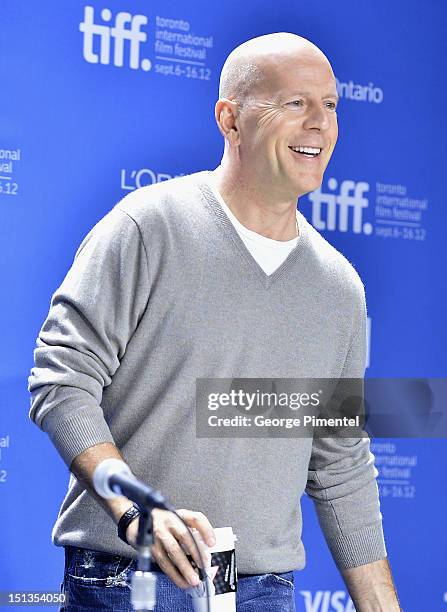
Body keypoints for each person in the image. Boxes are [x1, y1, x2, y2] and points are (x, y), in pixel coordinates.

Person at [28, 32, 401, 611]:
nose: (320, 124)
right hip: (131, 579)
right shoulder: (147, 228)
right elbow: (62, 383)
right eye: (294, 103)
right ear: (231, 119)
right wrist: (135, 505)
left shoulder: (339, 287)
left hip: (263, 591)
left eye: (330, 105)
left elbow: (338, 458)